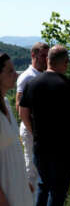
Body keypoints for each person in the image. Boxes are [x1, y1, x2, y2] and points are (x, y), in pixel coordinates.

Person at [19, 45, 70, 206]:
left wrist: (35, 133)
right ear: (66, 63)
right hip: (64, 148)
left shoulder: (32, 84)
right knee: (59, 190)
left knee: (43, 185)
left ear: (48, 60)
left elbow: (23, 114)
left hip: (40, 145)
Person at [0, 53, 33, 206]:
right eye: (10, 71)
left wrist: (24, 182)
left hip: (17, 188)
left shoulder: (6, 103)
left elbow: (12, 147)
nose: (16, 74)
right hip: (5, 192)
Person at [16, 42, 49, 197]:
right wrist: (34, 132)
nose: (46, 59)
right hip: (31, 131)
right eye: (43, 56)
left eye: (47, 56)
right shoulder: (27, 77)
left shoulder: (42, 75)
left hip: (40, 132)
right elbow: (19, 107)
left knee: (41, 169)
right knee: (31, 169)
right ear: (33, 55)